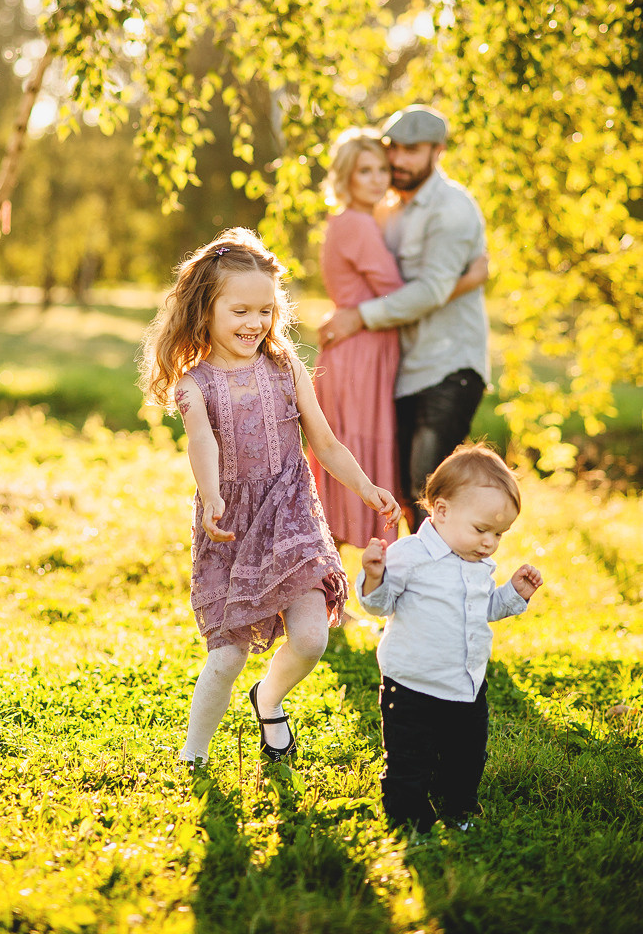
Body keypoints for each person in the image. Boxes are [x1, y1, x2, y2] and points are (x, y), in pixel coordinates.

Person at [139, 227, 401, 766]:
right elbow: (203, 446)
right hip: (231, 526)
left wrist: (367, 488)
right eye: (239, 311)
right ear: (204, 310)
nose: (254, 324)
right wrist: (212, 498)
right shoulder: (195, 386)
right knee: (228, 655)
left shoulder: (285, 368)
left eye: (264, 311)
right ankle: (195, 754)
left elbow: (324, 443)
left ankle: (270, 697)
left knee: (311, 639)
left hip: (291, 514)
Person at [309, 128, 487, 549]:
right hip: (358, 355)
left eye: (380, 170)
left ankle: (349, 586)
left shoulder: (366, 220)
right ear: (345, 178)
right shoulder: (358, 224)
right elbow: (403, 290)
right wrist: (467, 278)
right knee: (350, 462)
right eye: (363, 171)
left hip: (366, 352)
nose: (377, 179)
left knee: (358, 461)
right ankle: (323, 586)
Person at [356, 444, 543, 833]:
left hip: (466, 683)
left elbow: (483, 608)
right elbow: (379, 605)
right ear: (441, 510)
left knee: (467, 756)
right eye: (481, 529)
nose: (490, 542)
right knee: (411, 758)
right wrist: (374, 577)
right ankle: (408, 820)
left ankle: (457, 807)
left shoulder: (478, 562)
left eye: (499, 534)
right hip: (412, 686)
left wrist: (513, 593)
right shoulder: (410, 555)